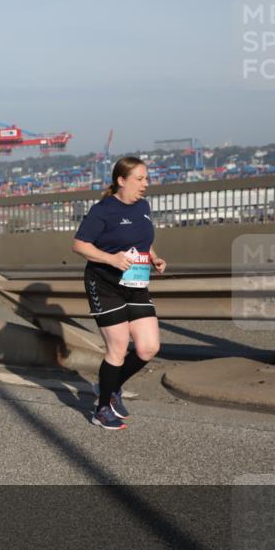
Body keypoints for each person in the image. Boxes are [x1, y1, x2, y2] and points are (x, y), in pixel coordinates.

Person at [72, 157, 165, 430]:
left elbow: (144, 241)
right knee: (118, 349)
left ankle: (109, 386)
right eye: (139, 179)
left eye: (146, 178)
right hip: (105, 284)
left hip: (136, 285)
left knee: (149, 347)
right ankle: (101, 409)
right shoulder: (103, 210)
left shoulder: (143, 207)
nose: (145, 184)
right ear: (121, 181)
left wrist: (154, 258)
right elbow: (79, 245)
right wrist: (110, 259)